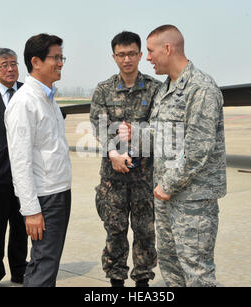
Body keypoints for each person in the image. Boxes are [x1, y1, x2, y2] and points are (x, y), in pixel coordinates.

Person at [146, 25, 227, 287]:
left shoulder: (201, 88)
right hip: (165, 196)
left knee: (196, 270)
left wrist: (168, 185)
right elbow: (161, 135)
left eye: (150, 51)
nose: (148, 58)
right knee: (170, 265)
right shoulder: (165, 88)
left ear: (167, 49)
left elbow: (198, 147)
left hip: (192, 200)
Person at [90, 31, 161, 287]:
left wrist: (138, 135)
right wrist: (113, 154)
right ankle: (116, 283)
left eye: (132, 54)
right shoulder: (104, 89)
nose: (127, 59)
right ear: (114, 56)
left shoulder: (155, 89)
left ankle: (143, 284)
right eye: (121, 54)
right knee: (115, 231)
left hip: (145, 178)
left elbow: (161, 128)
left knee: (145, 232)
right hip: (113, 178)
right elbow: (99, 125)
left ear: (140, 55)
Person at [4, 34, 71, 287]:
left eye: (61, 57)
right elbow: (19, 161)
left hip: (59, 190)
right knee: (44, 265)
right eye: (56, 58)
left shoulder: (48, 97)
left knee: (45, 263)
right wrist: (31, 210)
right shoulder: (24, 102)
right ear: (36, 61)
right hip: (45, 197)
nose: (61, 63)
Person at [0, 48, 27, 287]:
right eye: (4, 65)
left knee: (22, 226)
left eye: (13, 64)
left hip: (24, 176)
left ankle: (20, 270)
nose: (10, 69)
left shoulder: (28, 91)